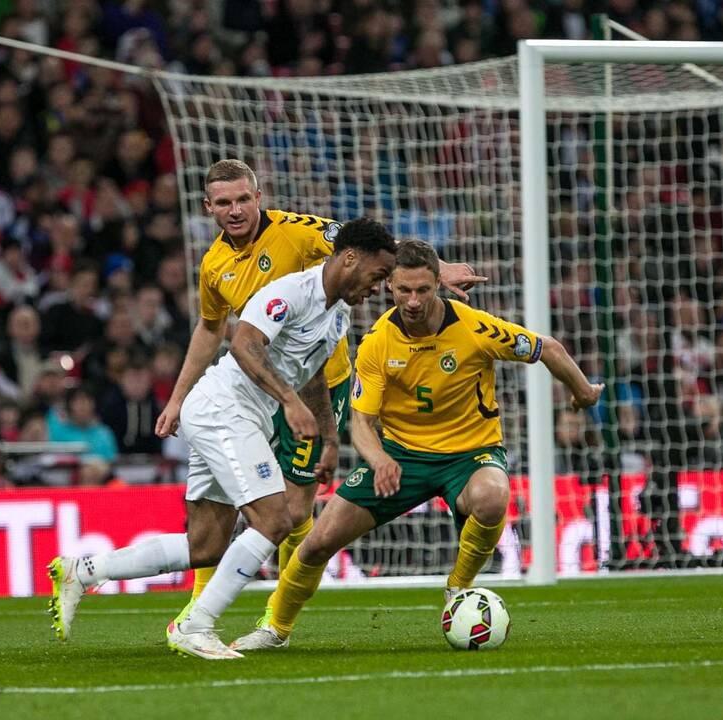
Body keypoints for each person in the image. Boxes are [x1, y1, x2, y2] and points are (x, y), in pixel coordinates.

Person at [152, 159, 486, 632]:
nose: (235, 210)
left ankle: (277, 619)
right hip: (254, 389)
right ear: (209, 207)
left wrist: (434, 265)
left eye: (243, 198)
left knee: (293, 509)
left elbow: (367, 244)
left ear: (259, 196)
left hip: (317, 386)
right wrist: (177, 397)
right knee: (234, 508)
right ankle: (199, 610)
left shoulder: (298, 231)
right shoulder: (214, 265)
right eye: (224, 202)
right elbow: (210, 330)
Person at [48, 217, 398, 659]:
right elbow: (243, 345)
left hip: (239, 419)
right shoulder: (288, 293)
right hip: (222, 412)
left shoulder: (338, 315)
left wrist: (328, 439)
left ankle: (83, 570)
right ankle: (194, 626)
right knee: (275, 520)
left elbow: (313, 380)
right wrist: (289, 403)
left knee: (205, 545)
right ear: (350, 258)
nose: (378, 287)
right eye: (379, 274)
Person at [230, 240, 603, 651]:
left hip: (470, 455)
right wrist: (380, 460)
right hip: (401, 456)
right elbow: (363, 424)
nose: (412, 301)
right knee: (318, 542)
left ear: (437, 285)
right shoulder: (377, 343)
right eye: (403, 290)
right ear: (389, 285)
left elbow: (546, 348)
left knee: (494, 496)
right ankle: (275, 628)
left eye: (422, 290)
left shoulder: (475, 329)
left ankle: (457, 589)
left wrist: (582, 391)